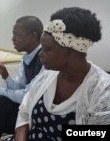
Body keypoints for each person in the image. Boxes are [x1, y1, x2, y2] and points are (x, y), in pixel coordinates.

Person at [15, 7, 110, 141]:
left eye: (47, 49)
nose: (41, 54)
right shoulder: (46, 76)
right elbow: (24, 113)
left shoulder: (103, 92)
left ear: (72, 52)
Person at [0, 16, 43, 141]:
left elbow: (27, 96)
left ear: (32, 36)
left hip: (38, 114)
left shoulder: (46, 59)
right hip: (27, 109)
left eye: (17, 34)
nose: (13, 39)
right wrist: (5, 74)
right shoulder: (26, 58)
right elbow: (19, 87)